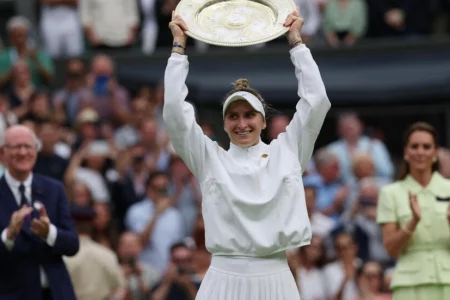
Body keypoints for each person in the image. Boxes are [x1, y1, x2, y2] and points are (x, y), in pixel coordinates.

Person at [163, 6, 331, 299]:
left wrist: (297, 44)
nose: (242, 124)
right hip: (223, 279)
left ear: (263, 121)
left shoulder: (289, 150)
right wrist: (178, 49)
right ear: (225, 124)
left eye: (249, 115)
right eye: (233, 116)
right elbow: (175, 113)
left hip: (276, 277)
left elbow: (316, 102)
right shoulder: (209, 158)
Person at [0, 125, 79, 300]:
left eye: (28, 146)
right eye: (15, 147)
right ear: (2, 153)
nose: (22, 152)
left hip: (56, 294)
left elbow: (73, 244)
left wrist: (49, 232)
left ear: (36, 151)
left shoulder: (54, 189)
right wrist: (8, 236)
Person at [377, 122, 450, 300]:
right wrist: (413, 222)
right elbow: (391, 249)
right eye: (414, 146)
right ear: (406, 153)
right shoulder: (390, 193)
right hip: (409, 285)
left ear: (435, 153)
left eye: (426, 147)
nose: (420, 152)